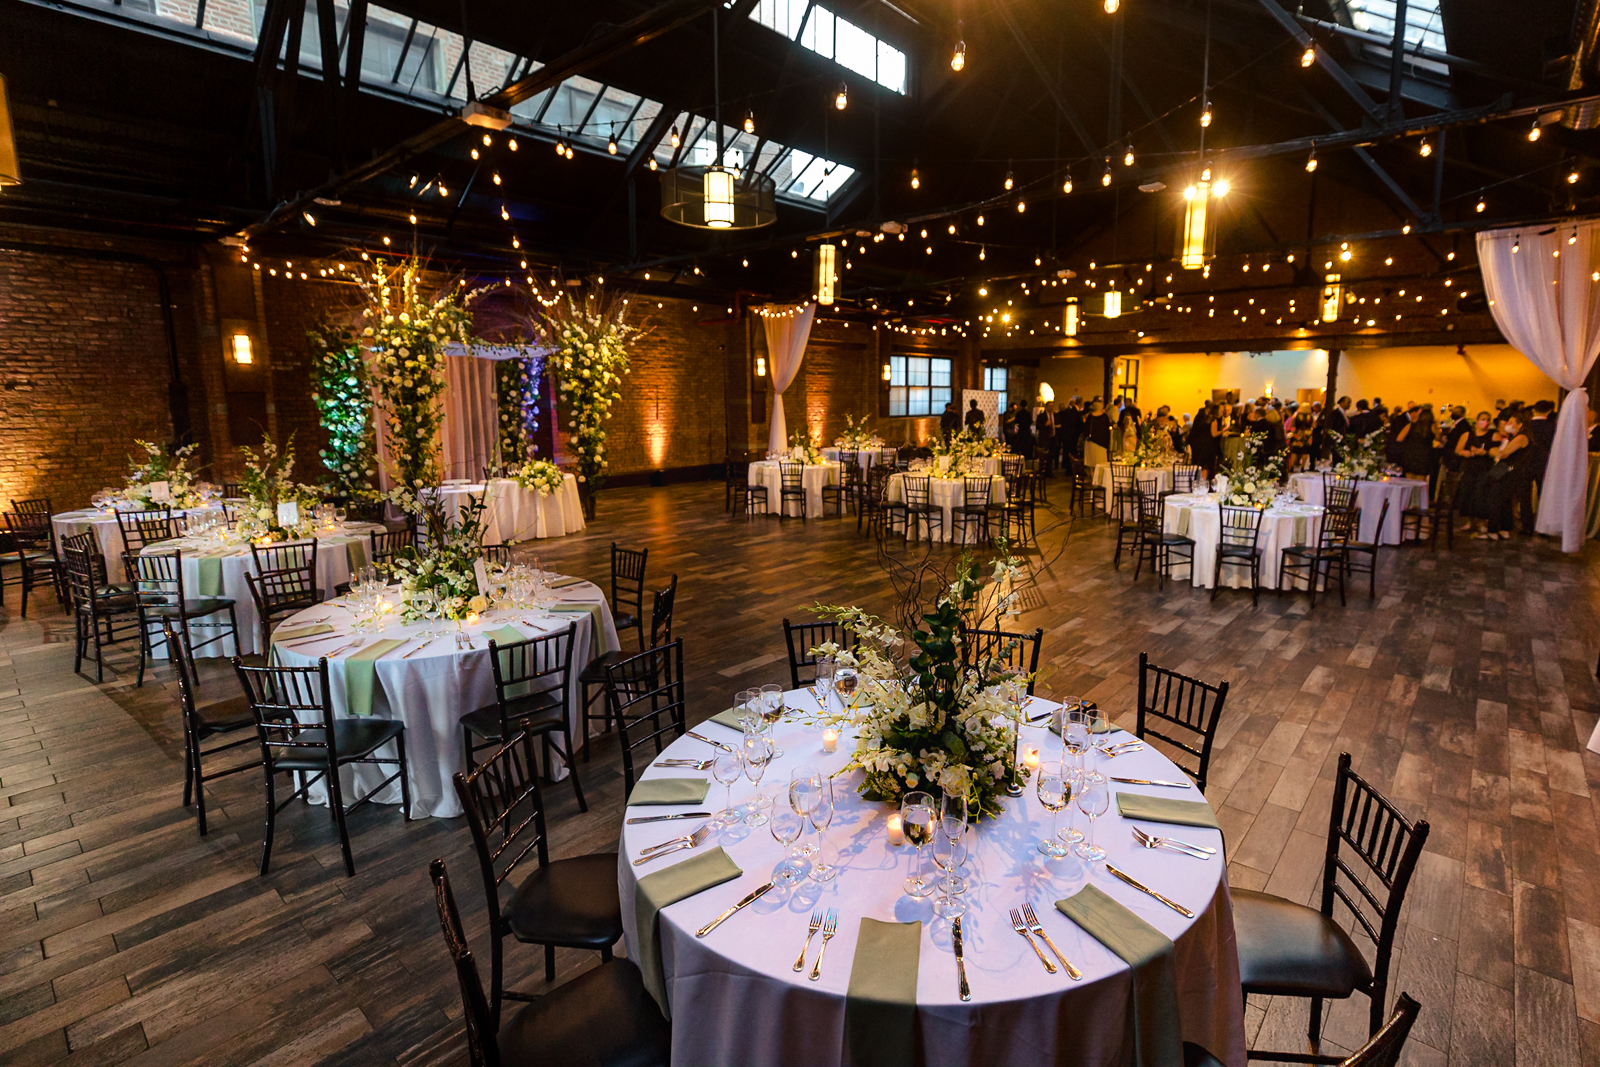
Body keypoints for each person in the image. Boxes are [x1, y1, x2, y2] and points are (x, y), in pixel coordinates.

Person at [1478, 413, 1533, 540]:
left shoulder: (1521, 438)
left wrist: (1491, 451)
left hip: (1509, 473)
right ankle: (1505, 529)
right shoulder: (1516, 437)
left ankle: (1492, 531)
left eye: (1511, 422)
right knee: (1505, 502)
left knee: (1496, 500)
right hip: (1511, 472)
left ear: (1520, 424)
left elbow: (1503, 454)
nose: (1508, 425)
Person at [1456, 411, 1496, 535]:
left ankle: (1481, 522)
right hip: (1469, 467)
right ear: (1477, 420)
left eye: (1488, 419)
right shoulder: (1468, 435)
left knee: (1481, 495)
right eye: (1483, 419)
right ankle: (1469, 521)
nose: (1485, 422)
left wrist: (1486, 452)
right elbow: (1458, 450)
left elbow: (1497, 450)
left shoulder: (1493, 435)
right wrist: (1465, 453)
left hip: (1484, 468)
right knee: (1467, 493)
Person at [1395, 406, 1437, 480]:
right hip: (1424, 455)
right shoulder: (1432, 426)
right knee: (1420, 480)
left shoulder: (1411, 425)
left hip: (1410, 453)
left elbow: (1399, 438)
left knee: (1409, 479)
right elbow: (1438, 437)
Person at [1189, 401, 1224, 480]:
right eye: (1221, 411)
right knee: (1206, 466)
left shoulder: (1205, 418)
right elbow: (1214, 434)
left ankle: (1200, 481)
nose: (1222, 413)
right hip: (1208, 446)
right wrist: (1224, 430)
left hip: (1200, 445)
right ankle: (1204, 482)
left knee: (1201, 466)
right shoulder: (1213, 420)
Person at [1083, 399, 1112, 470]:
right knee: (1101, 462)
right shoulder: (1105, 417)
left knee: (1091, 462)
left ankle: (1092, 476)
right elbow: (1107, 429)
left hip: (1091, 441)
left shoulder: (1090, 416)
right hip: (1102, 443)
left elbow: (1086, 428)